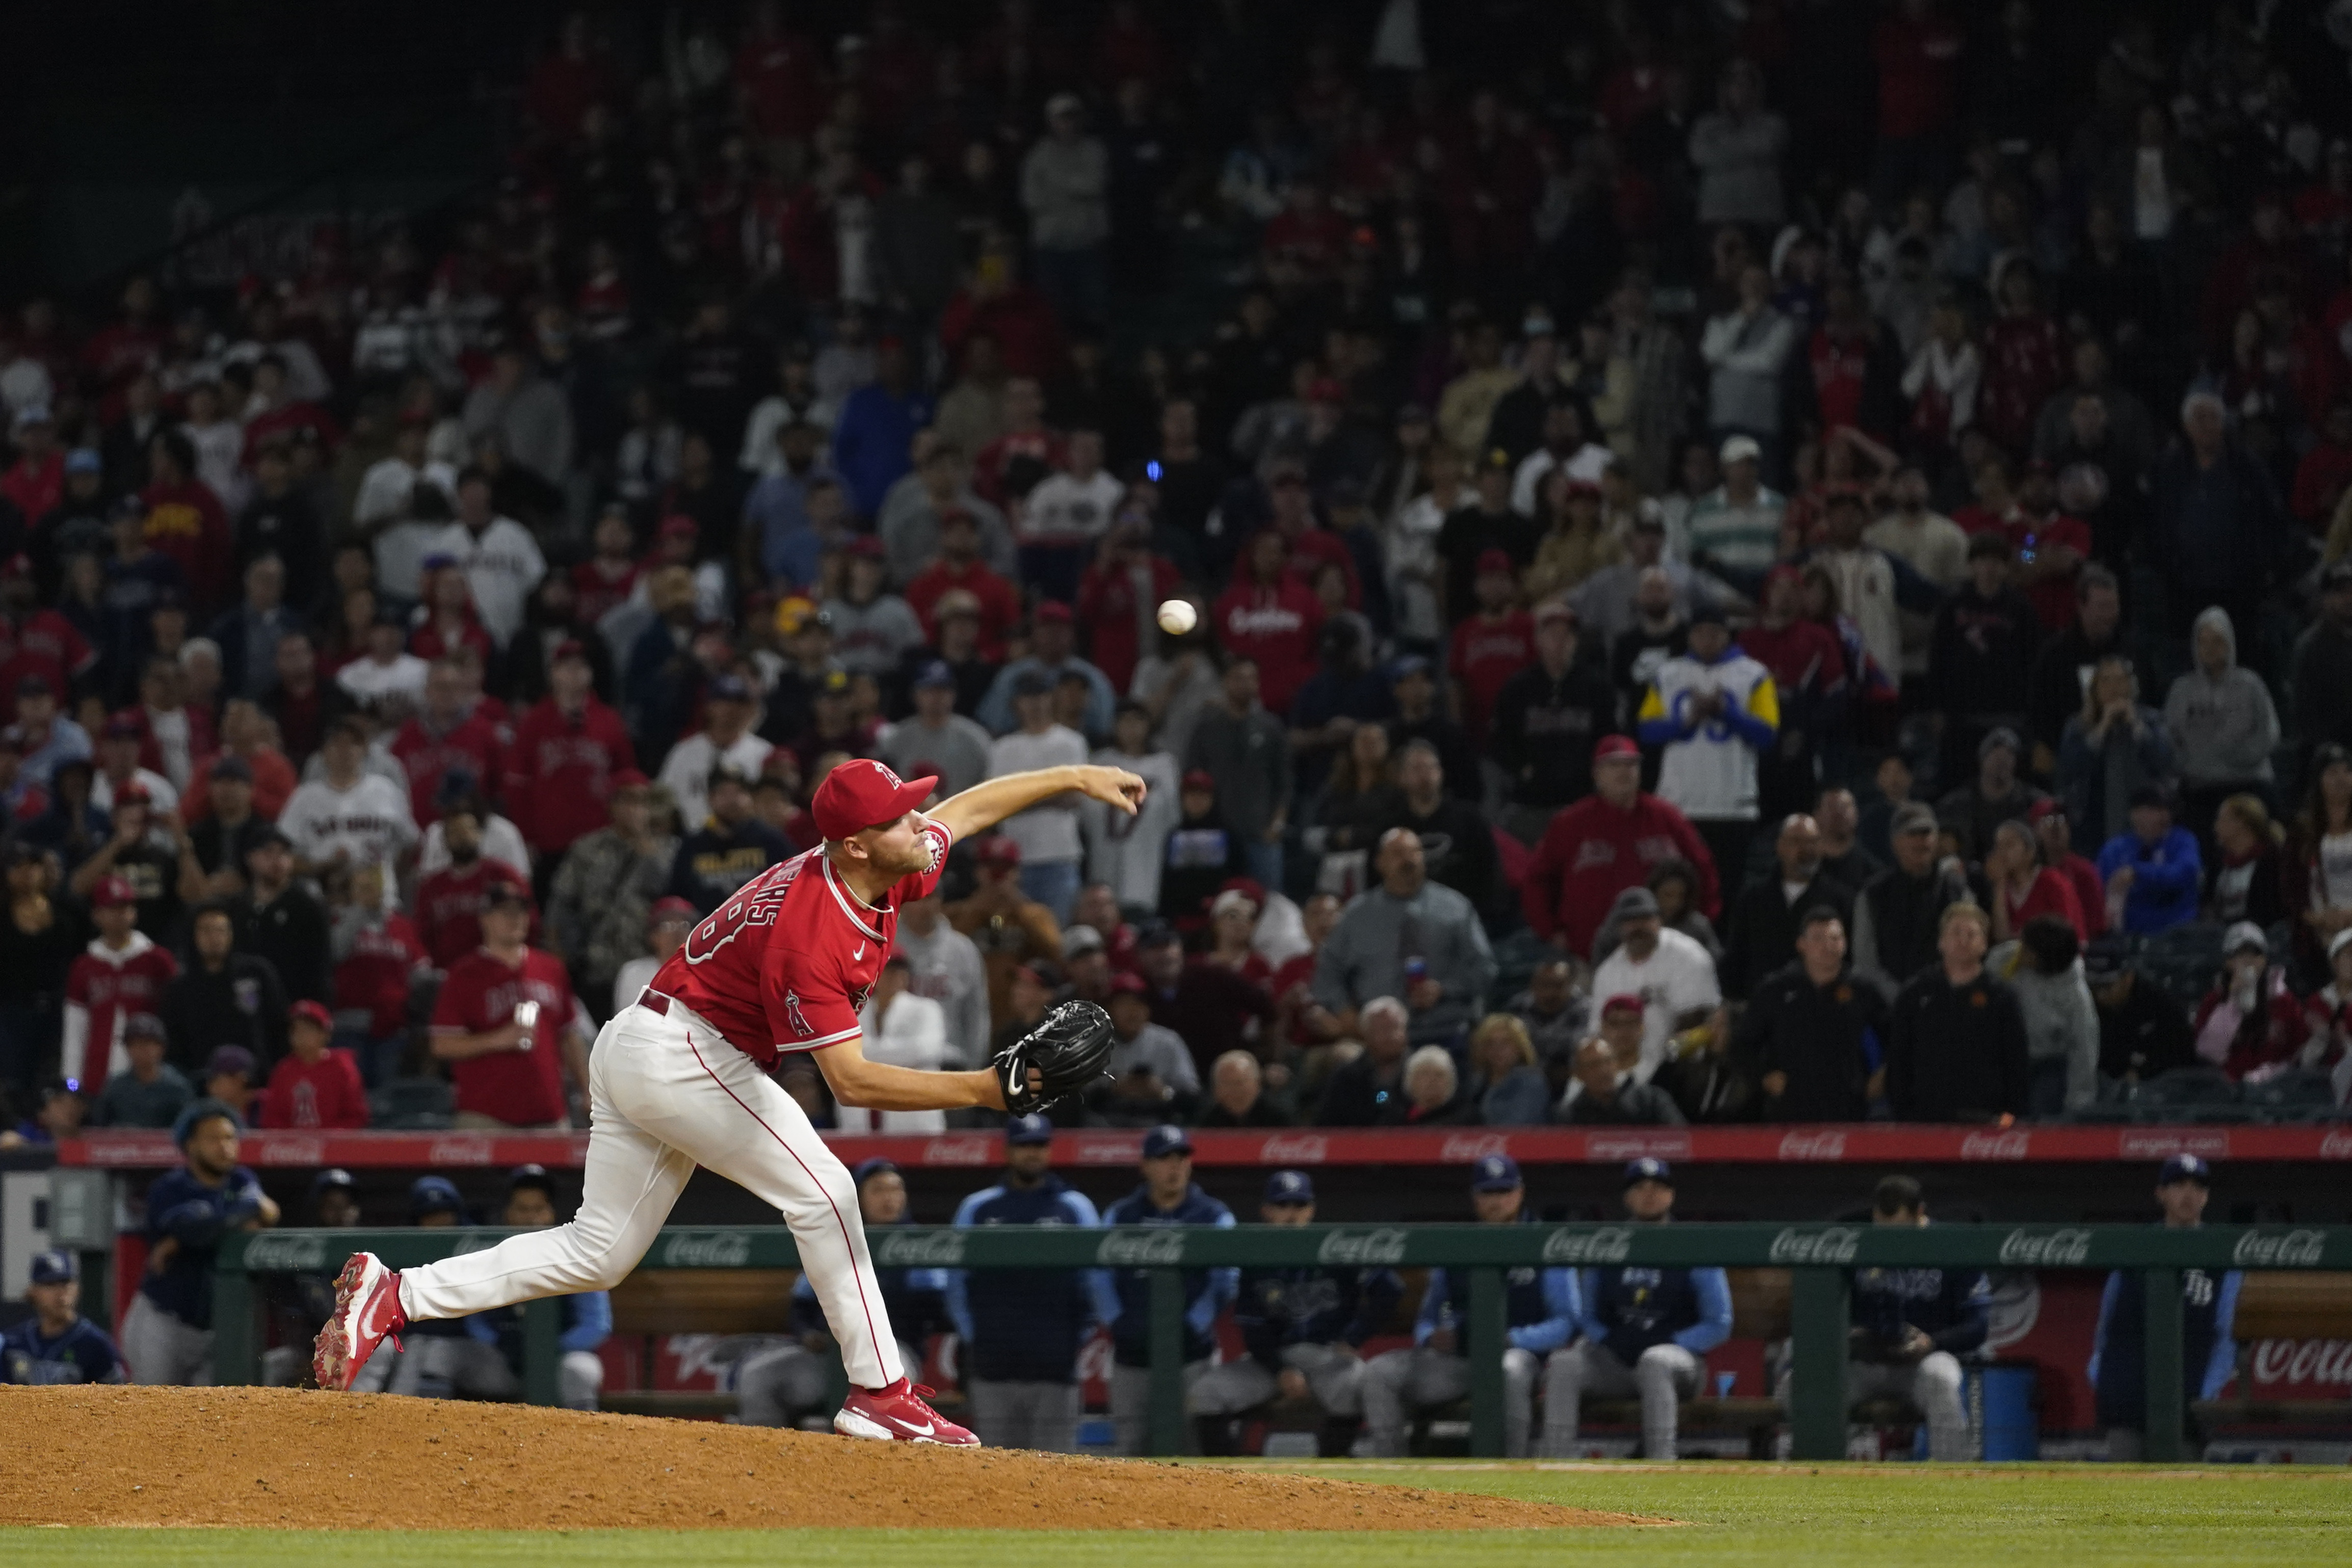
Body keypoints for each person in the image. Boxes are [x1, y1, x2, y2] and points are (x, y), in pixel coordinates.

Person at [315, 755, 1151, 1453]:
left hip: (647, 1040)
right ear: (857, 842)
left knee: (599, 1251)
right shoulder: (814, 929)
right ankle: (879, 1391)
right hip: (682, 1052)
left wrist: (1076, 776)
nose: (918, 823)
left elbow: (967, 810)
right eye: (900, 816)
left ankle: (397, 1294)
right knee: (825, 1190)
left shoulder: (878, 859)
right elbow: (852, 1082)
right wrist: (983, 1088)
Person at [1360, 1154, 1577, 1459]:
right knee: (1380, 1371)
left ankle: (1514, 1471)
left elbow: (1566, 1322)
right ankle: (1391, 1472)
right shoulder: (1457, 1245)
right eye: (1488, 1193)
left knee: (1509, 1369)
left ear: (1520, 1193)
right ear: (1475, 1197)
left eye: (1504, 1192)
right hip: (1461, 1359)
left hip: (1522, 1357)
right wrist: (1430, 1336)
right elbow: (1427, 1317)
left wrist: (1514, 1339)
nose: (1497, 1201)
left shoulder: (1545, 1243)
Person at [1188, 1170, 1399, 1456]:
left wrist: (1355, 1337)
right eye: (1282, 1206)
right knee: (1206, 1392)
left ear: (1311, 1211)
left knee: (1356, 1386)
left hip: (1328, 1356)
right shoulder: (1256, 1258)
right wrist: (1280, 1370)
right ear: (1267, 1212)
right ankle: (1226, 1483)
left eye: (1299, 1206)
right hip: (1273, 1359)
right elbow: (1254, 1331)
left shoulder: (1335, 1248)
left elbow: (1390, 1289)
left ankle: (1331, 1478)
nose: (1291, 1214)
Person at [736, 1158, 950, 1431]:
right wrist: (807, 1335)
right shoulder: (835, 1238)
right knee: (759, 1375)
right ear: (858, 1197)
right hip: (828, 1355)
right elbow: (801, 1306)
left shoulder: (917, 1243)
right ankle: (765, 1464)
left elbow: (937, 1309)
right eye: (878, 1190)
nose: (890, 1199)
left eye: (896, 1190)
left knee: (891, 1373)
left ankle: (882, 1467)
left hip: (892, 1354)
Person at [1539, 1159, 1732, 1459]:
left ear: (1671, 1195)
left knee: (1655, 1360)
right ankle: (1555, 1466)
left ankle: (1661, 1466)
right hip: (1617, 1361)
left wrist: (1672, 1340)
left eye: (1658, 1187)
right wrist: (1609, 1338)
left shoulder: (1694, 1245)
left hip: (1679, 1365)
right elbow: (1586, 1315)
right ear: (1627, 1197)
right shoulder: (1607, 1246)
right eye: (1639, 1188)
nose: (1649, 1194)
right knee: (1565, 1364)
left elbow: (1719, 1323)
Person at [947, 1115, 1103, 1453]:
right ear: (1008, 1150)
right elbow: (956, 1281)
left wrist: (1074, 1336)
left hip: (1055, 1362)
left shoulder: (1075, 1207)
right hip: (993, 1362)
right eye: (1024, 1146)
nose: (1032, 1153)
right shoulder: (978, 1207)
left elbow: (1095, 1281)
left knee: (1056, 1468)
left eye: (1039, 1145)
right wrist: (975, 1335)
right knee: (993, 1468)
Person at [2089, 1155, 2242, 1462]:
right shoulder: (2134, 1248)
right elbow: (2107, 1324)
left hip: (2189, 1396)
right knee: (2122, 1492)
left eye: (2198, 1187)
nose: (2189, 1195)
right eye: (2179, 1185)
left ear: (2207, 1196)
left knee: (2177, 1494)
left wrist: (2208, 1392)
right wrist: (2100, 1375)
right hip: (2127, 1395)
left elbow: (2227, 1336)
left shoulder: (2223, 1255)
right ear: (2160, 1193)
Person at [1827, 1175, 1990, 1463]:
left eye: (1899, 1230)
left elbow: (1978, 1327)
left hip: (1925, 1360)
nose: (1890, 1238)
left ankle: (1954, 1485)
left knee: (1942, 1379)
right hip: (1870, 1363)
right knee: (1808, 1385)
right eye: (1882, 1228)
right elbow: (1830, 1315)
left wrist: (1932, 1342)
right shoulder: (1855, 1242)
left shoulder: (1954, 1245)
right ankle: (1814, 1478)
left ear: (1920, 1213)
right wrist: (1855, 1336)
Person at [1098, 1126, 1238, 1456]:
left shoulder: (1213, 1214)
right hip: (1131, 1356)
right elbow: (1098, 1274)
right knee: (1129, 1452)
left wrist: (1194, 1322)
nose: (1174, 1166)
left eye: (1181, 1157)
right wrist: (1115, 1319)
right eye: (1164, 1158)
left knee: (1191, 1450)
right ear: (1145, 1165)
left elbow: (1225, 1277)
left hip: (1191, 1356)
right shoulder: (1122, 1214)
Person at [122, 1099, 279, 1385]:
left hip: (215, 1331)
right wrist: (236, 1219)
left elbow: (270, 1213)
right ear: (191, 1145)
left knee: (207, 1420)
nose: (225, 1146)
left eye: (230, 1138)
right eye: (214, 1139)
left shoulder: (241, 1180)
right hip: (164, 1324)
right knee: (152, 1414)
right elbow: (195, 1230)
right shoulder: (169, 1189)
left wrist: (182, 1241)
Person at [1523, 736, 1720, 958]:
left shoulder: (1667, 818)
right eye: (1614, 765)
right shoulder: (1570, 823)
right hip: (1587, 954)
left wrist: (1695, 927)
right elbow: (1537, 879)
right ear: (1597, 773)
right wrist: (1551, 932)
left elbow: (1703, 871)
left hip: (1663, 954)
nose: (1623, 772)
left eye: (1631, 765)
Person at [429, 881, 593, 1131]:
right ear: (485, 919)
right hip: (486, 1117)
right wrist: (498, 1039)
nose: (515, 919)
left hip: (549, 1113)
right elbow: (442, 1044)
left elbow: (568, 1036)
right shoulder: (463, 975)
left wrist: (587, 1089)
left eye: (521, 911)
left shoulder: (551, 968)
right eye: (505, 912)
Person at [1312, 828, 1496, 1047]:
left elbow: (1485, 968)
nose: (1408, 860)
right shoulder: (1357, 915)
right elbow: (1328, 972)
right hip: (1377, 1039)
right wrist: (1345, 1013)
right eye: (1398, 853)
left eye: (1415, 852)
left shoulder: (1456, 908)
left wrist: (1444, 989)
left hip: (1446, 1031)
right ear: (1380, 863)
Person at [1637, 605, 1778, 882]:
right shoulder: (1669, 674)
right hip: (1679, 803)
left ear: (1728, 636)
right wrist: (1685, 724)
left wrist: (1724, 713)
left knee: (1728, 887)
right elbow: (1646, 731)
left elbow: (1767, 735)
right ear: (1690, 637)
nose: (1707, 639)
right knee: (1678, 887)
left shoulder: (1754, 674)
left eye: (1715, 633)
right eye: (1700, 633)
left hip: (1733, 805)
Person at [1737, 906, 1885, 1122]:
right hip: (1788, 1108)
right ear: (1801, 944)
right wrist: (1764, 1076)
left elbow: (1899, 1035)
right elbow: (1743, 1044)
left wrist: (1884, 1076)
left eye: (1835, 938)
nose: (1828, 946)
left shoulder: (1863, 989)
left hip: (1849, 1108)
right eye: (1818, 939)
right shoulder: (1776, 989)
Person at [1885, 903, 2029, 1123]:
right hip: (1924, 1119)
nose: (1963, 940)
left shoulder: (2002, 997)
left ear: (1984, 944)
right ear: (1941, 942)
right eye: (1955, 933)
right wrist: (1903, 1112)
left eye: (1971, 934)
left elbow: (2016, 1061)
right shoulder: (1915, 994)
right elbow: (1899, 1059)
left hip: (1986, 1119)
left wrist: (2011, 1115)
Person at [1488, 599, 1618, 844]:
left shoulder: (1596, 687)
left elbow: (1608, 738)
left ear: (1576, 641)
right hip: (1532, 804)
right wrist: (1522, 770)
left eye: (1566, 635)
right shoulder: (1518, 688)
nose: (1560, 642)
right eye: (1552, 635)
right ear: (1538, 640)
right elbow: (1500, 740)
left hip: (1583, 802)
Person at [2162, 607, 2279, 845]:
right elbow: (2170, 738)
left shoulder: (2251, 685)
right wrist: (2198, 765)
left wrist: (2235, 761)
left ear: (2230, 642)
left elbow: (2268, 734)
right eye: (2203, 641)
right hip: (2199, 789)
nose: (2210, 648)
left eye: (2217, 641)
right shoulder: (2181, 690)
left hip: (2248, 783)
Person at [1587, 888, 1723, 1081]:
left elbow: (1699, 1019)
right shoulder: (1608, 972)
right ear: (1619, 927)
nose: (1638, 927)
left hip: (1679, 1066)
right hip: (1623, 1065)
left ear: (1658, 921)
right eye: (1630, 921)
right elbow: (1598, 1030)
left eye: (1645, 919)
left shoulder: (1689, 956)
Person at [986, 671, 1090, 924]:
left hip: (1061, 855)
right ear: (1017, 703)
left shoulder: (1071, 742)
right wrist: (1050, 794)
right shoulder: (1002, 749)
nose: (1035, 703)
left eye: (1041, 695)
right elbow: (996, 804)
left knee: (1057, 935)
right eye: (1028, 697)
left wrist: (1022, 798)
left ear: (1051, 699)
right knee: (1019, 938)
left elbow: (1075, 797)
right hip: (1014, 861)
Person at [1720, 814, 1857, 1000]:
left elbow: (1850, 960)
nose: (1807, 849)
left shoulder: (1840, 899)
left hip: (1821, 1004)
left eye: (1813, 842)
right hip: (1762, 1004)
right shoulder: (1753, 898)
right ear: (1780, 847)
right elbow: (1737, 955)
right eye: (1797, 841)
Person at [1183, 658, 1291, 893]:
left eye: (1251, 679)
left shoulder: (1271, 728)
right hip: (1216, 834)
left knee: (1269, 903)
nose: (1245, 685)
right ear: (1225, 682)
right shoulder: (1207, 727)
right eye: (1238, 679)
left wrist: (1277, 824)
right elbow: (1193, 779)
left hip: (1261, 832)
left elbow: (1284, 782)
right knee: (1212, 901)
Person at [62, 874, 179, 1091]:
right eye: (112, 908)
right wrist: (72, 1085)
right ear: (97, 915)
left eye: (125, 907)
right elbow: (75, 1029)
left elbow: (176, 1018)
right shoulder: (84, 966)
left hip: (151, 1079)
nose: (120, 914)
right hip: (96, 1079)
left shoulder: (157, 960)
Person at [2056, 655, 2177, 855]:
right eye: (2106, 680)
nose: (2114, 687)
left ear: (2131, 686)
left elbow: (2165, 761)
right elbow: (2069, 767)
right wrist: (2101, 728)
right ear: (2095, 688)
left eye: (2121, 680)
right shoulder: (2078, 726)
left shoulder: (2152, 720)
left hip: (2141, 823)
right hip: (2090, 822)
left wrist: (2137, 727)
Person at [157, 900, 288, 1076]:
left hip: (255, 1082)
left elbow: (279, 1025)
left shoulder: (257, 974)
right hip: (201, 1084)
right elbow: (173, 1044)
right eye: (207, 930)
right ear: (194, 936)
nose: (215, 937)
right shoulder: (180, 989)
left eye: (221, 930)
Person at [655, 672, 772, 835]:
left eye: (739, 702)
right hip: (692, 841)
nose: (731, 708)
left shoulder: (763, 753)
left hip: (748, 843)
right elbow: (664, 801)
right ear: (709, 707)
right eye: (723, 701)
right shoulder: (684, 752)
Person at [666, 764, 792, 914]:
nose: (732, 800)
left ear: (750, 798)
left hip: (759, 928)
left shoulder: (771, 840)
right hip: (707, 930)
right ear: (710, 799)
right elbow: (677, 897)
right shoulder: (693, 846)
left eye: (739, 792)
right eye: (723, 793)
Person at [2190, 921, 2307, 1081]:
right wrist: (2232, 1002)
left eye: (2255, 954)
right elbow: (2209, 1052)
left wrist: (2268, 1075)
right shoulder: (2214, 1000)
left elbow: (2299, 1053)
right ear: (2228, 962)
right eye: (2240, 954)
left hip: (2274, 1089)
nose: (2248, 961)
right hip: (2227, 1090)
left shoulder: (2285, 1001)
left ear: (2264, 960)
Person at [1, 1250, 124, 1385]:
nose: (61, 1293)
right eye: (50, 1284)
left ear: (77, 1289)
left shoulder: (96, 1345)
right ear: (33, 1292)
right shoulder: (14, 1342)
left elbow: (119, 1399)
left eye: (66, 1284)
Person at [2095, 786, 2203, 936]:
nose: (2163, 817)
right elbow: (2099, 885)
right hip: (2129, 937)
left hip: (2176, 935)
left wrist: (2138, 873)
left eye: (2164, 810)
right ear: (2134, 815)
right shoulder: (2116, 849)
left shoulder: (2182, 841)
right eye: (2152, 810)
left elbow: (2185, 873)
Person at [1934, 727, 2046, 868]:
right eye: (1995, 756)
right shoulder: (1954, 805)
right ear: (1982, 760)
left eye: (2008, 756)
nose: (2002, 761)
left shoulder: (2034, 803)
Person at [257, 999, 369, 1129]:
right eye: (295, 1030)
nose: (300, 1036)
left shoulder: (342, 1068)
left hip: (335, 1145)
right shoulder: (284, 1069)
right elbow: (271, 1116)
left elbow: (356, 1116)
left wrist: (329, 1138)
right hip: (292, 1147)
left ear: (325, 1034)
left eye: (307, 1030)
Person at [1983, 817, 2086, 945]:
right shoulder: (2002, 888)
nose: (2001, 852)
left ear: (2030, 852)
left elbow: (2066, 931)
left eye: (2009, 845)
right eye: (1998, 846)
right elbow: (2002, 938)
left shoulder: (2052, 881)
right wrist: (2000, 884)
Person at [91, 1012, 191, 1129]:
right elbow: (99, 1128)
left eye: (148, 1043)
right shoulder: (115, 1087)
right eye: (136, 1044)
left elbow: (187, 1130)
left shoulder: (177, 1087)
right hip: (124, 1146)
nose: (143, 1050)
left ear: (161, 1047)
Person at [1559, 1036, 1687, 1126]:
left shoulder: (1652, 1100)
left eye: (1608, 1061)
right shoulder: (1570, 1117)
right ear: (1579, 1074)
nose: (1604, 1071)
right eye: (1594, 1065)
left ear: (1617, 1065)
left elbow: (1682, 1138)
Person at [1467, 1014, 1551, 1127]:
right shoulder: (1477, 1084)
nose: (1497, 1050)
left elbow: (1519, 1126)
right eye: (1490, 1043)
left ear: (1520, 1047)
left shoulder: (1532, 1083)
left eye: (1506, 1043)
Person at [1195, 1049, 1292, 1127]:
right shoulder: (1209, 1121)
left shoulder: (1280, 1118)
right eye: (1227, 1084)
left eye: (1240, 1083)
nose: (1235, 1091)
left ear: (1257, 1084)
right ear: (1216, 1091)